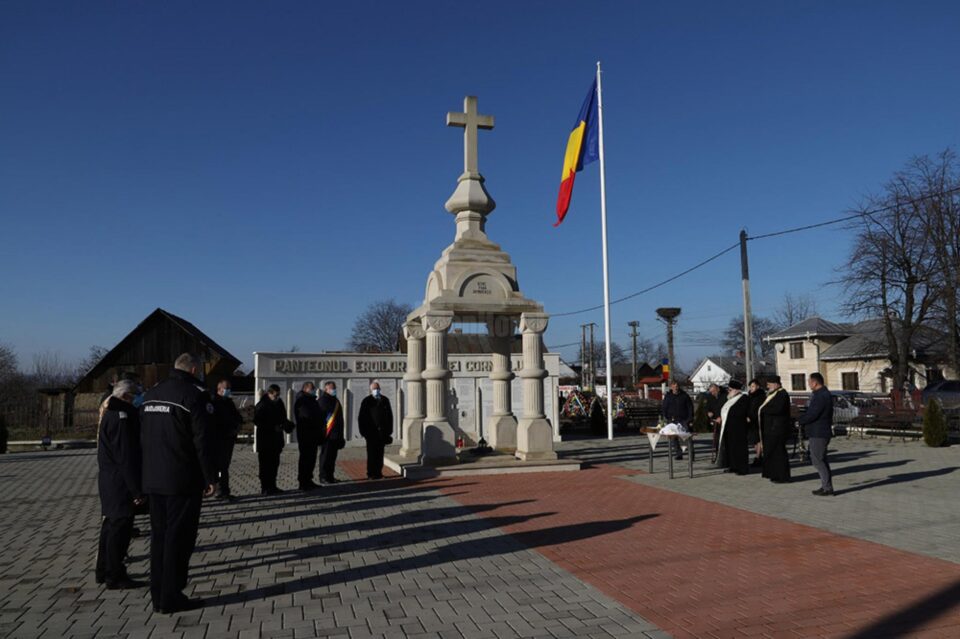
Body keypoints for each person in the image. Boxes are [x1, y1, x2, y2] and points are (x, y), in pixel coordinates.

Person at [140, 353, 217, 614]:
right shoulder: (193, 396)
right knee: (179, 540)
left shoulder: (151, 394)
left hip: (153, 479)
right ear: (194, 369)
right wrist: (210, 477)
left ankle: (159, 595)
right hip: (181, 480)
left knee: (159, 538)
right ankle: (172, 596)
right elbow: (202, 442)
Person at [95, 379, 145, 589]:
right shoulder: (121, 418)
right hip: (119, 482)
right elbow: (126, 457)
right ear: (126, 396)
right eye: (137, 395)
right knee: (119, 530)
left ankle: (103, 569)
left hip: (110, 479)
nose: (139, 399)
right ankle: (115, 574)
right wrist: (136, 490)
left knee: (110, 526)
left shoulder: (112, 412)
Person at [799, 372, 834, 496]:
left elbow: (814, 413)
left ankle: (827, 487)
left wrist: (800, 420)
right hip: (819, 431)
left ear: (815, 382)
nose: (808, 384)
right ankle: (826, 485)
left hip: (819, 432)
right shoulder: (822, 394)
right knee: (821, 459)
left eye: (809, 382)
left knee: (817, 460)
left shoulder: (821, 396)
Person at [254, 384, 294, 495]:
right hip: (265, 440)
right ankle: (265, 487)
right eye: (275, 395)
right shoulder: (262, 405)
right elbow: (257, 421)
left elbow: (283, 418)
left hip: (276, 440)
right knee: (265, 465)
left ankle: (273, 486)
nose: (277, 397)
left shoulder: (279, 403)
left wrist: (287, 425)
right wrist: (272, 427)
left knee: (274, 464)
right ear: (269, 393)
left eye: (278, 395)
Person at [211, 380, 242, 500]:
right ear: (219, 389)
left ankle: (225, 490)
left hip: (229, 438)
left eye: (230, 388)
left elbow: (236, 416)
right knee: (219, 466)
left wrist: (237, 425)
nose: (229, 390)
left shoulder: (228, 402)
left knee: (224, 466)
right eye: (226, 388)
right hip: (219, 439)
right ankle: (220, 490)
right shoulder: (214, 402)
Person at [358, 381, 393, 479]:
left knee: (380, 454)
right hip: (371, 433)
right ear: (370, 390)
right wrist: (364, 432)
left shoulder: (385, 400)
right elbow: (361, 417)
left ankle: (378, 472)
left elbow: (390, 416)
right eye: (374, 389)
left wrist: (389, 431)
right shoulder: (366, 401)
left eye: (377, 388)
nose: (376, 390)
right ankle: (371, 473)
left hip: (382, 432)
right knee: (372, 454)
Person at [759, 376, 791, 484]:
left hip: (777, 428)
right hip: (770, 428)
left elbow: (778, 409)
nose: (767, 386)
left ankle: (782, 476)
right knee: (771, 452)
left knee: (778, 453)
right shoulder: (773, 394)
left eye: (769, 384)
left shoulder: (782, 394)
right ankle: (773, 474)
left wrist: (764, 409)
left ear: (776, 384)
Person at [294, 382, 323, 490]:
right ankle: (303, 481)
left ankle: (308, 480)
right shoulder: (302, 401)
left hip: (313, 435)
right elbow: (307, 416)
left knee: (311, 459)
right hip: (306, 435)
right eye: (312, 389)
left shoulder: (311, 400)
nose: (314, 390)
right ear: (305, 388)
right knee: (306, 458)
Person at [717, 380, 750, 475]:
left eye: (730, 389)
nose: (728, 391)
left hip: (738, 428)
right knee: (730, 448)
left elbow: (741, 412)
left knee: (739, 449)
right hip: (729, 428)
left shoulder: (743, 398)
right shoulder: (730, 399)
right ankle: (733, 466)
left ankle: (742, 468)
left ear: (736, 390)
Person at [317, 381, 345, 484]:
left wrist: (341, 435)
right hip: (327, 435)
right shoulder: (322, 401)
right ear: (326, 389)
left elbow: (340, 419)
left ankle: (330, 476)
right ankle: (323, 477)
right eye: (332, 388)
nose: (334, 390)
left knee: (332, 458)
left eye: (335, 388)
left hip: (336, 435)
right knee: (325, 457)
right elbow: (319, 420)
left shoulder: (335, 401)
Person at [662, 380, 693, 460]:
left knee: (687, 436)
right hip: (672, 420)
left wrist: (689, 419)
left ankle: (691, 454)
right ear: (671, 387)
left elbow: (690, 408)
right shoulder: (668, 396)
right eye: (674, 386)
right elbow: (664, 407)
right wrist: (666, 417)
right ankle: (678, 454)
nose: (676, 387)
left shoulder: (685, 396)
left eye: (677, 386)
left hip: (684, 419)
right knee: (674, 438)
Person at [746, 378, 766, 467]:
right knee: (754, 440)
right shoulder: (750, 395)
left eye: (753, 386)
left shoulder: (761, 396)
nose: (751, 388)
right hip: (750, 421)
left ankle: (759, 457)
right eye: (750, 386)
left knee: (758, 440)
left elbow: (758, 409)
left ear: (757, 386)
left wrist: (751, 417)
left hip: (757, 420)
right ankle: (758, 456)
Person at [703, 383, 722, 461]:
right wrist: (708, 412)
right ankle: (717, 456)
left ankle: (723, 456)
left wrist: (721, 417)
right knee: (716, 440)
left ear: (717, 389)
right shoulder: (710, 397)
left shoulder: (724, 396)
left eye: (713, 391)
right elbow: (707, 407)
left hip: (723, 420)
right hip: (715, 421)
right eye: (711, 392)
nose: (712, 393)